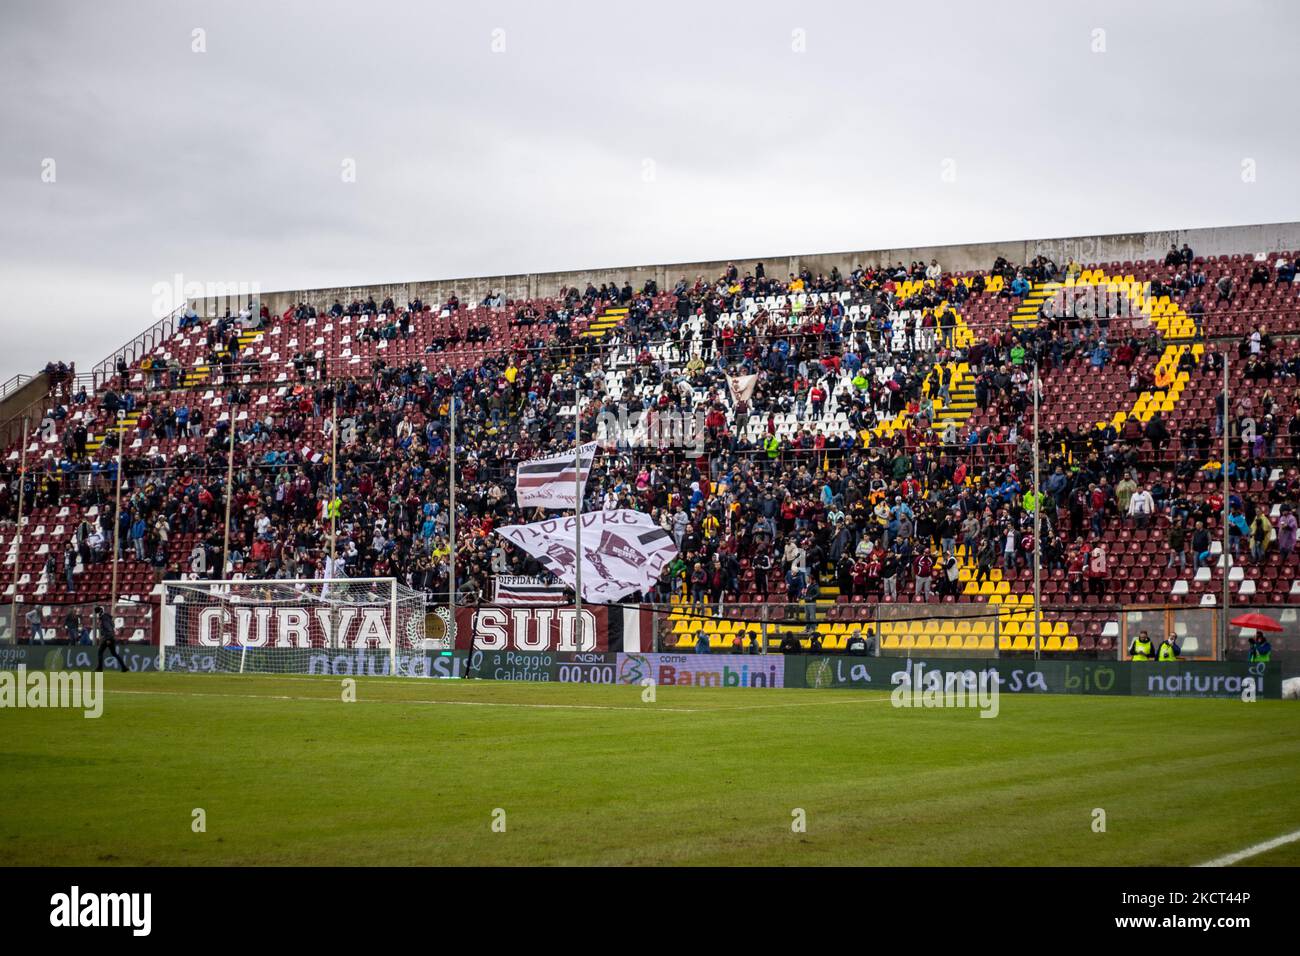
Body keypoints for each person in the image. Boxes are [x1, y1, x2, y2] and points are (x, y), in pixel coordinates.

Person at [94, 605, 127, 672]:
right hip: (111, 637)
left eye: (98, 613)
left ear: (100, 612)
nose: (97, 615)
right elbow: (112, 627)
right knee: (114, 653)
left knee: (100, 651)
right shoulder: (107, 617)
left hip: (107, 638)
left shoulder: (104, 618)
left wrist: (108, 639)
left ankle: (99, 668)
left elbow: (108, 628)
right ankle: (124, 667)